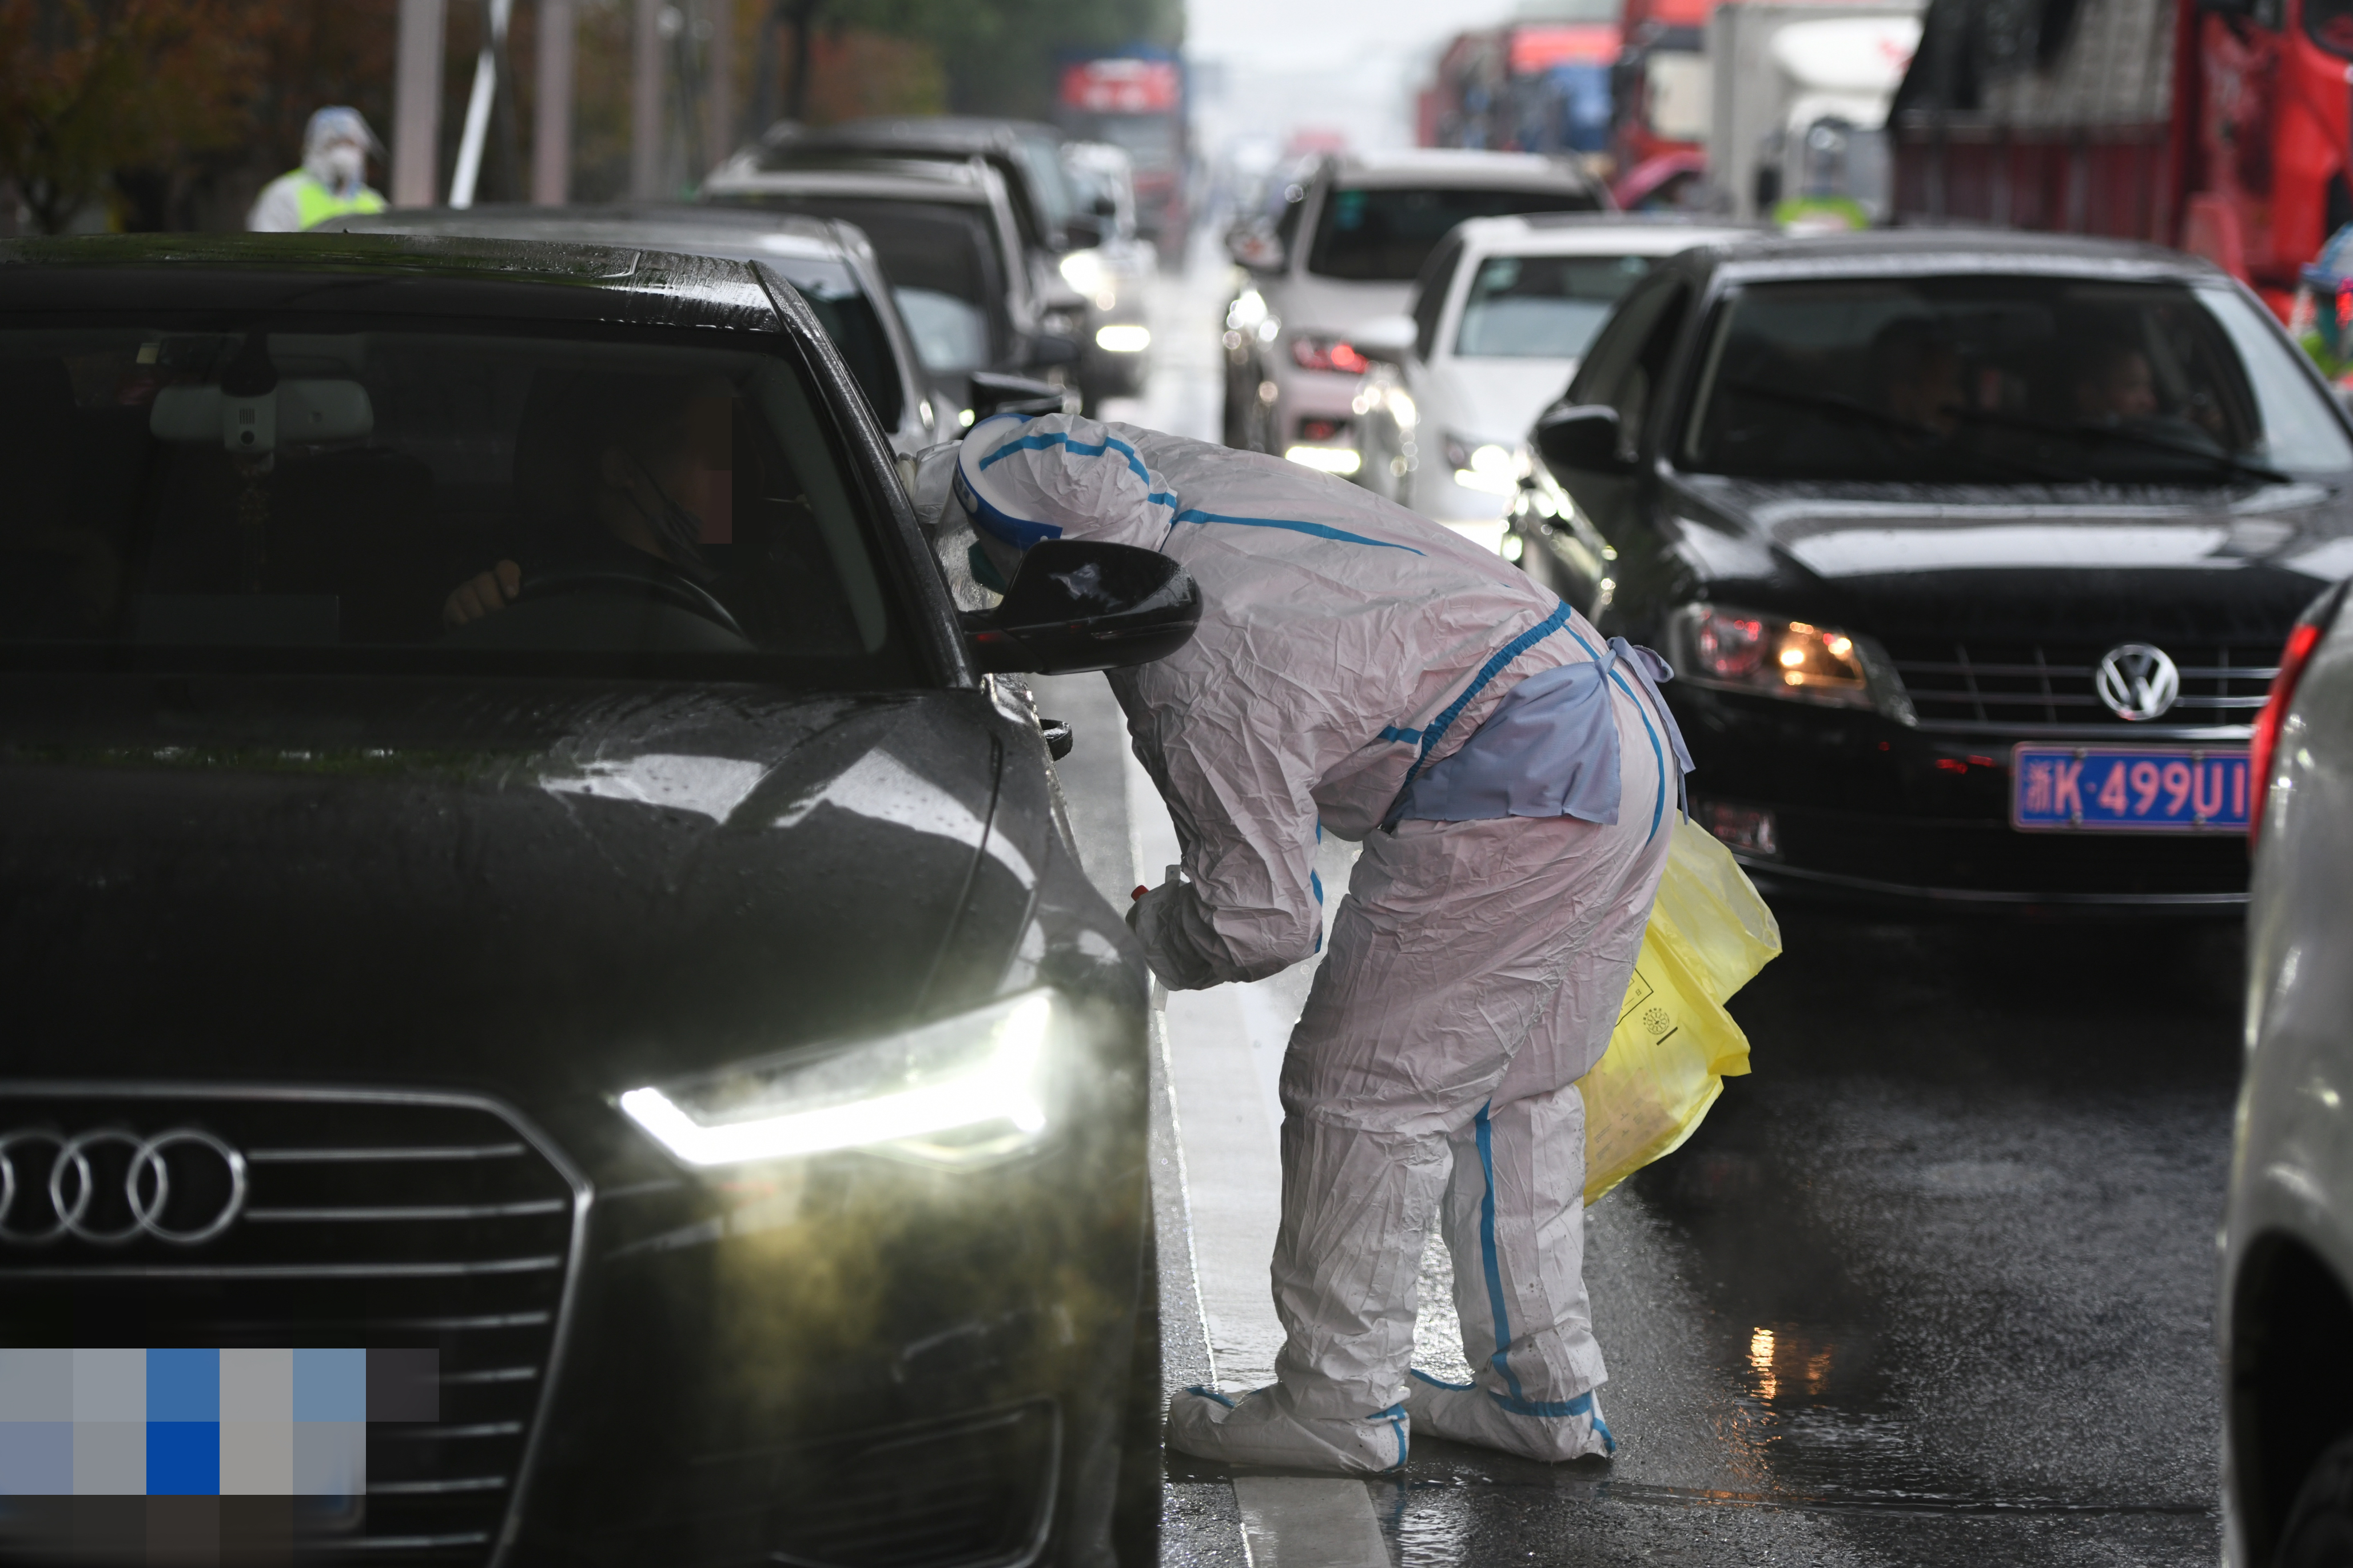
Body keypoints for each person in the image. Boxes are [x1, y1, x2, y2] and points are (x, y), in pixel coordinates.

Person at [942, 411, 1691, 1473]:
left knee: (1364, 1094)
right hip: (1621, 735)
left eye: (1002, 562)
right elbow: (1032, 453)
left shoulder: (1187, 649)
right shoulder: (1177, 479)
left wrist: (1128, 938)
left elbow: (1260, 919)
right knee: (1514, 1094)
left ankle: (1337, 1406)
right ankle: (1542, 1392)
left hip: (1514, 783)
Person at [443, 375, 727, 628]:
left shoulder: (745, 574)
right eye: (709, 453)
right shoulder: (526, 558)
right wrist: (477, 599)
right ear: (621, 469)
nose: (729, 476)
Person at [246, 107, 388, 233]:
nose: (344, 153)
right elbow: (267, 254)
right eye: (333, 143)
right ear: (315, 148)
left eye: (351, 144)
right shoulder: (285, 195)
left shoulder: (374, 204)